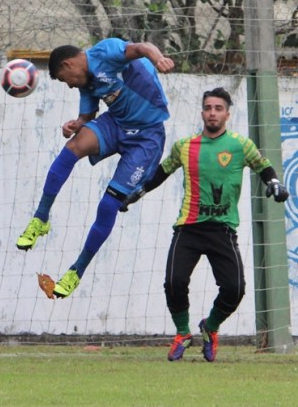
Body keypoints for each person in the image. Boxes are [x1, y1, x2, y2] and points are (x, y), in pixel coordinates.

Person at [120, 87, 289, 362]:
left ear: (227, 114)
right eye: (208, 108)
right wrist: (137, 193)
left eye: (218, 108)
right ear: (202, 113)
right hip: (189, 227)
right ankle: (183, 333)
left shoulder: (240, 145)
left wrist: (275, 183)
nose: (213, 113)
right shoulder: (185, 146)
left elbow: (263, 166)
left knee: (235, 289)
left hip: (222, 229)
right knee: (174, 282)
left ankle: (210, 328)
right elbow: (162, 172)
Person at [16, 38, 175, 298]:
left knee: (108, 205)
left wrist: (158, 58)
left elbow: (144, 47)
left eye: (64, 78)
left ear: (68, 64)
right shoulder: (87, 83)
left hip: (146, 137)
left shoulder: (107, 51)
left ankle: (76, 271)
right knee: (73, 147)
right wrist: (74, 125)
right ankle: (40, 218)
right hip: (116, 123)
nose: (68, 85)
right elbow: (87, 118)